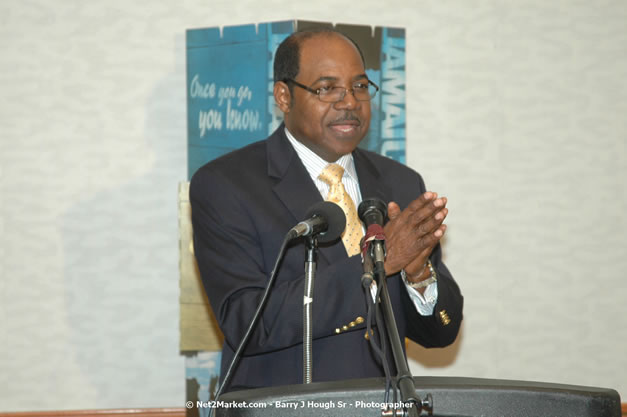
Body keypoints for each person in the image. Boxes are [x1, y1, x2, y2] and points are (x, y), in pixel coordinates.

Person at [190, 27, 463, 392]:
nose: (349, 101)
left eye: (360, 87)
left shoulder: (400, 183)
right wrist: (378, 263)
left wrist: (417, 274)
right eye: (326, 88)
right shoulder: (227, 184)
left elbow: (441, 331)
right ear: (284, 97)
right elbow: (250, 324)